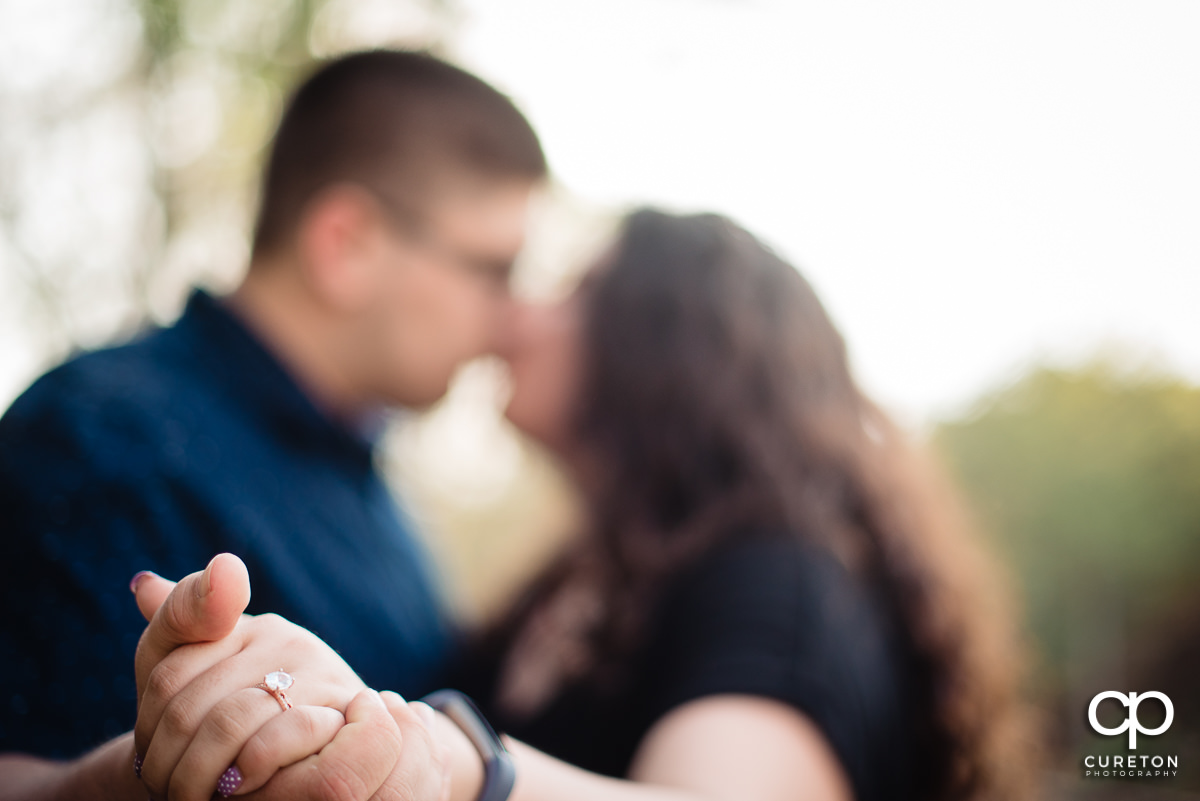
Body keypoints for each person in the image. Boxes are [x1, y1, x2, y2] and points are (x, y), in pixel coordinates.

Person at [126, 210, 1033, 801]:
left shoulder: (777, 580)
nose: (520, 316)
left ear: (673, 345)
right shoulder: (571, 588)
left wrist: (462, 761)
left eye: (577, 292)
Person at [0, 49, 546, 760]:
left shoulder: (372, 487)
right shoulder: (98, 448)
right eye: (494, 269)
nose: (517, 319)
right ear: (346, 244)